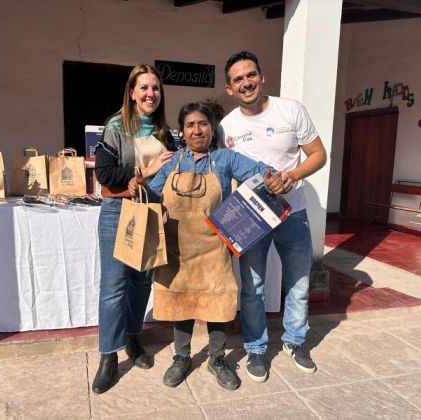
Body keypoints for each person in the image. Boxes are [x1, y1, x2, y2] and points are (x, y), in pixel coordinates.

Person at [129, 102, 284, 390]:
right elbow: (151, 195)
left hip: (214, 249)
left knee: (218, 303)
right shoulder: (171, 162)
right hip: (177, 250)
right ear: (182, 131)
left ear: (212, 130)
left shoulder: (226, 159)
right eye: (190, 125)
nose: (196, 130)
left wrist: (274, 177)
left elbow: (263, 170)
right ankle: (181, 357)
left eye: (202, 124)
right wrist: (138, 185)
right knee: (180, 303)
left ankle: (216, 359)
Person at [219, 51, 327, 381]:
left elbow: (318, 154)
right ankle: (256, 349)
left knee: (299, 282)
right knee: (252, 287)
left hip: (293, 212)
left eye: (251, 75)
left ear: (262, 77)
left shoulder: (290, 110)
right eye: (238, 79)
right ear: (229, 89)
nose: (246, 82)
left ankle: (296, 342)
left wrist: (292, 176)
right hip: (253, 217)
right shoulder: (226, 127)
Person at [92, 64, 175, 394]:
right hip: (119, 212)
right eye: (144, 88)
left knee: (141, 282)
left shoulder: (163, 131)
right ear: (131, 92)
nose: (150, 94)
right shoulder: (116, 126)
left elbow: (169, 173)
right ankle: (108, 356)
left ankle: (133, 338)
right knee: (114, 285)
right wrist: (141, 173)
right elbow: (104, 174)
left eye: (155, 88)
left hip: (151, 211)